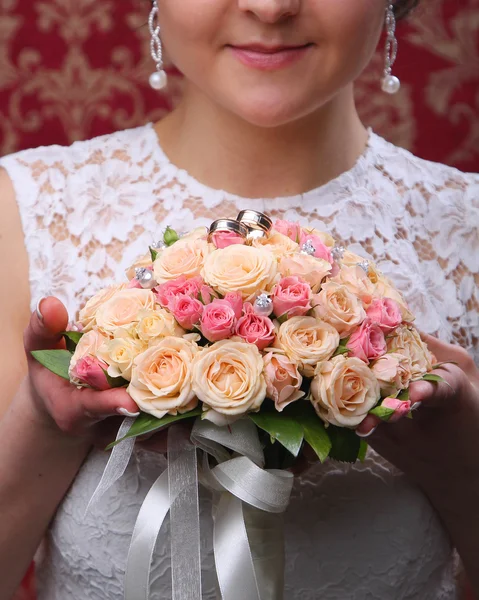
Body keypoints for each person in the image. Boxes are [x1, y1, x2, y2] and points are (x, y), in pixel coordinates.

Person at [0, 0, 478, 598]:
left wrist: (459, 450)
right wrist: (47, 426)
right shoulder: (22, 212)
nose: (271, 7)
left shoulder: (468, 228)